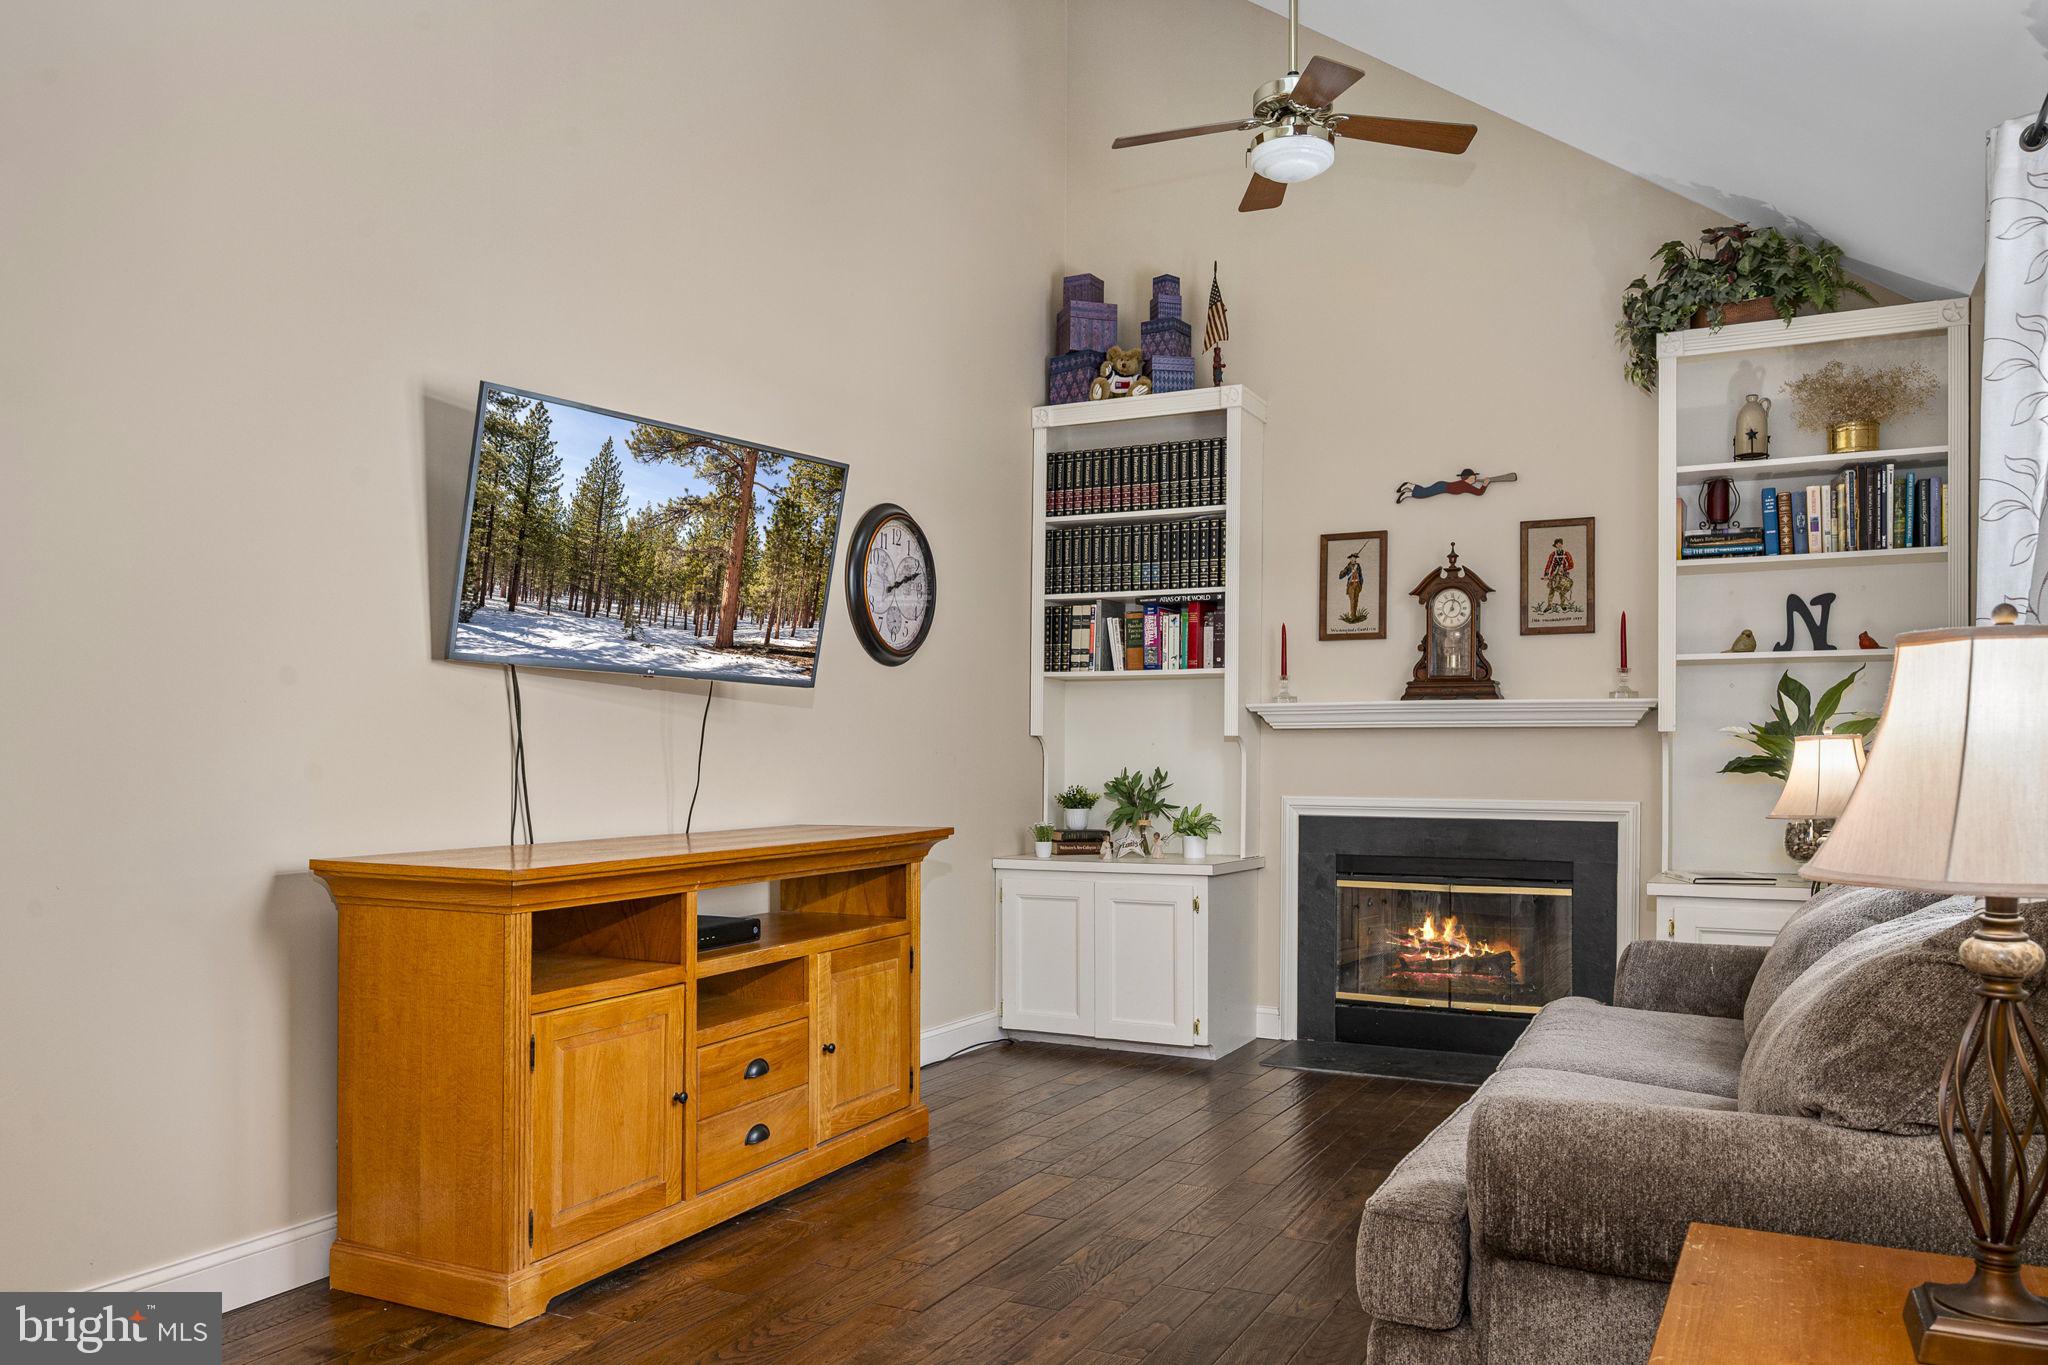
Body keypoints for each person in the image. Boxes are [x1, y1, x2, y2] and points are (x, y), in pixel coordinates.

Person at [1542, 537, 1576, 614]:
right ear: (1556, 545)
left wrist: (1564, 569)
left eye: (1560, 543)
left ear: (1562, 544)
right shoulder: (1553, 554)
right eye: (1558, 544)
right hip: (1553, 574)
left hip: (1563, 574)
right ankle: (1549, 606)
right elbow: (1549, 564)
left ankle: (1563, 605)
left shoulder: (1566, 553)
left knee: (1563, 589)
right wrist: (1546, 574)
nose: (1559, 545)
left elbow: (1571, 565)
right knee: (1551, 590)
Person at [1336, 549, 1366, 622]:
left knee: (1356, 600)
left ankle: (1354, 615)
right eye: (1352, 558)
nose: (1353, 559)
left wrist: (1361, 585)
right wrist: (1345, 570)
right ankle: (1352, 617)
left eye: (1355, 558)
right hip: (1351, 585)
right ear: (1350, 559)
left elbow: (1360, 575)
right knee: (1352, 601)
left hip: (1357, 585)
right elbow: (1340, 576)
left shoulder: (1358, 565)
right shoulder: (1348, 567)